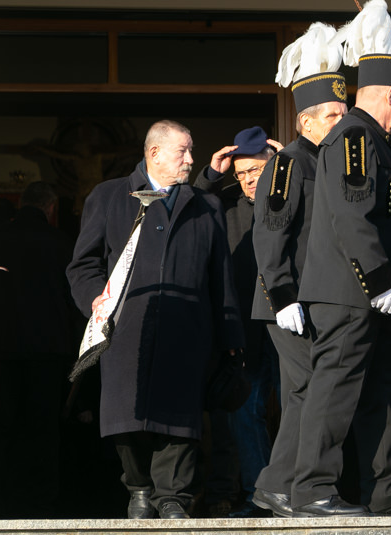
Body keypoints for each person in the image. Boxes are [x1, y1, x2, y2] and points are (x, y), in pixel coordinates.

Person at [66, 120, 245, 519]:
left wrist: (231, 335)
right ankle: (140, 489)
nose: (191, 160)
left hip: (188, 330)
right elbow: (83, 264)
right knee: (125, 416)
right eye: (183, 151)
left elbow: (221, 278)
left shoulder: (206, 205)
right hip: (126, 328)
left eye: (190, 151)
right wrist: (95, 299)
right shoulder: (110, 195)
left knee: (181, 418)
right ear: (154, 153)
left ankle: (173, 497)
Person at [290, 50, 391, 517]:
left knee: (382, 391)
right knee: (335, 389)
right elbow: (352, 213)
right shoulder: (356, 138)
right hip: (349, 292)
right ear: (389, 95)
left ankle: (389, 491)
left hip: (367, 297)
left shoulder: (367, 137)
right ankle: (311, 488)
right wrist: (380, 279)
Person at [251, 49, 349, 518]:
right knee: (310, 388)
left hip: (313, 298)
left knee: (305, 391)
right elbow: (271, 233)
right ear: (305, 123)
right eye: (331, 114)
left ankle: (278, 485)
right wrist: (284, 294)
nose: (340, 120)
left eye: (344, 113)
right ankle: (283, 485)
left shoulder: (330, 160)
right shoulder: (290, 163)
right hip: (285, 300)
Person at [193, 126, 279, 517]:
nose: (247, 181)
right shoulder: (224, 204)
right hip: (245, 328)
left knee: (301, 409)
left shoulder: (293, 195)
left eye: (257, 171)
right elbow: (188, 205)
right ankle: (259, 495)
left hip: (292, 325)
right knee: (247, 412)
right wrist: (211, 175)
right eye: (241, 174)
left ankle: (300, 492)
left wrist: (292, 161)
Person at [0, 182, 81, 518]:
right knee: (42, 429)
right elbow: (76, 302)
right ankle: (39, 503)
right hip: (46, 351)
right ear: (51, 207)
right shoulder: (61, 243)